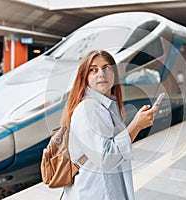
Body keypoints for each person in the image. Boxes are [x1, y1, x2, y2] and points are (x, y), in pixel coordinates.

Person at [60, 50, 158, 199]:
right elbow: (105, 158)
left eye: (106, 68)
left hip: (108, 188)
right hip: (95, 191)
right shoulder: (87, 109)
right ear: (85, 77)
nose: (101, 73)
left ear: (114, 74)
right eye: (93, 70)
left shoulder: (109, 106)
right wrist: (136, 125)